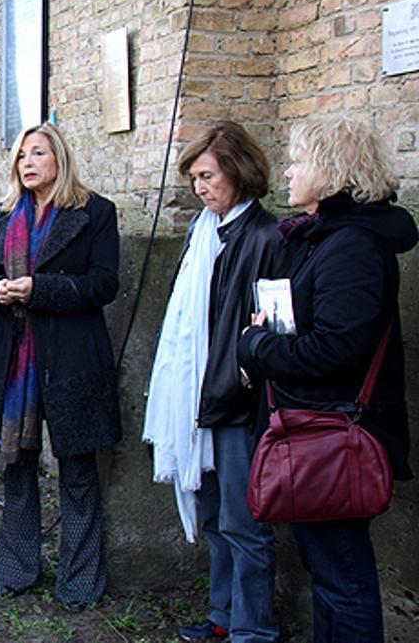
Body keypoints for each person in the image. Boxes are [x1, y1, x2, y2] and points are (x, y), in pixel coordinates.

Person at [237, 117, 415, 642]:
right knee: (329, 573)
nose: (288, 172)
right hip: (316, 426)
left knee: (344, 577)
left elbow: (336, 349)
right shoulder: (327, 238)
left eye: (299, 161)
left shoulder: (353, 245)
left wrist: (257, 346)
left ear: (333, 171)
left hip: (335, 433)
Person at [0, 122, 121, 609]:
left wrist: (42, 290)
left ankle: (79, 582)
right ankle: (16, 571)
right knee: (17, 468)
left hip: (72, 359)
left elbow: (103, 284)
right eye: (21, 156)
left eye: (38, 153)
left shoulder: (95, 212)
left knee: (77, 472)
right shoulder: (5, 213)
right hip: (13, 357)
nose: (27, 163)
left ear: (60, 159)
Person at [143, 122, 280, 642]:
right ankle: (224, 616)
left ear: (238, 171)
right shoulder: (206, 232)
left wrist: (246, 372)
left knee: (246, 524)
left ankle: (254, 629)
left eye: (207, 175)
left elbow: (269, 320)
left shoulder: (264, 236)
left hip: (240, 399)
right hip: (201, 394)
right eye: (194, 178)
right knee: (216, 515)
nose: (200, 188)